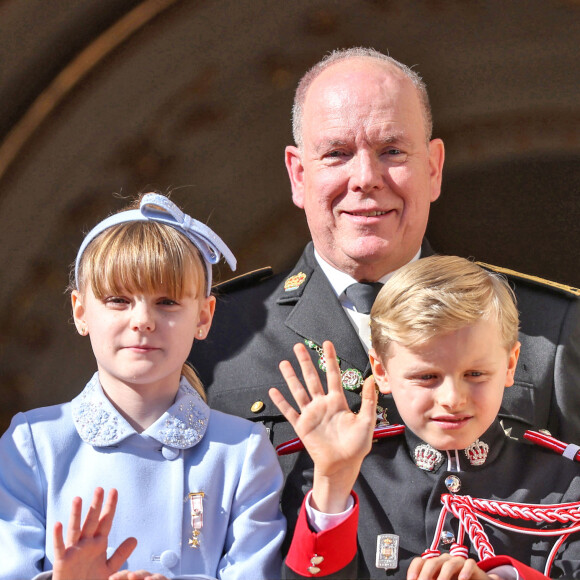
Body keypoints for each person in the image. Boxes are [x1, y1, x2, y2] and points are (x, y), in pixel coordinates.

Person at [188, 46, 580, 542]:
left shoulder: (548, 329)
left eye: (392, 151)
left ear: (434, 167)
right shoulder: (216, 336)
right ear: (299, 174)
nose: (366, 179)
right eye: (336, 153)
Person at [0, 193, 285, 580]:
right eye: (118, 300)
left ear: (204, 316)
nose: (143, 320)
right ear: (80, 311)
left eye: (166, 302)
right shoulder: (33, 444)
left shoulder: (242, 451)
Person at [271, 255, 580, 579]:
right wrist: (333, 484)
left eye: (475, 373)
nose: (452, 399)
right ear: (382, 371)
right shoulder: (343, 476)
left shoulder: (564, 485)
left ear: (510, 364)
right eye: (427, 377)